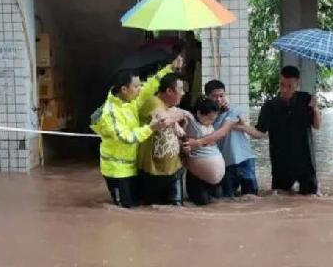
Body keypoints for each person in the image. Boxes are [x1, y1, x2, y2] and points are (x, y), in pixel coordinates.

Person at [90, 54, 184, 208]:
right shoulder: (110, 113)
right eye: (136, 86)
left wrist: (170, 68)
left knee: (139, 205)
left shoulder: (131, 100)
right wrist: (151, 128)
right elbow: (126, 137)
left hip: (133, 167)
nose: (140, 89)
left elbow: (151, 85)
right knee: (125, 209)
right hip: (117, 171)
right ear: (124, 89)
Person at [255, 65, 322, 195]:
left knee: (310, 199)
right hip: (281, 162)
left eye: (289, 86)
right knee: (280, 198)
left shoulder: (306, 99)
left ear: (297, 84)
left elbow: (317, 126)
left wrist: (315, 109)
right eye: (282, 85)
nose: (285, 90)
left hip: (305, 161)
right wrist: (241, 127)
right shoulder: (270, 106)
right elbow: (259, 132)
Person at [203, 79, 260, 197]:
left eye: (221, 95)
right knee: (228, 200)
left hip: (245, 160)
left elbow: (235, 125)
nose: (219, 99)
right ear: (207, 97)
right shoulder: (207, 118)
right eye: (214, 96)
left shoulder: (234, 109)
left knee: (251, 198)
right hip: (225, 164)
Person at [138, 72, 187, 205]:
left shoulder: (169, 107)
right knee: (154, 215)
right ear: (169, 91)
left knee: (177, 213)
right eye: (180, 89)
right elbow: (163, 120)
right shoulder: (153, 102)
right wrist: (181, 115)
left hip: (174, 170)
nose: (183, 93)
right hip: (153, 172)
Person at [180, 97, 230, 206]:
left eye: (213, 119)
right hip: (197, 176)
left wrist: (224, 107)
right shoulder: (192, 122)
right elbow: (183, 112)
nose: (211, 121)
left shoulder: (208, 124)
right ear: (198, 113)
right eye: (209, 119)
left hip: (215, 179)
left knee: (217, 205)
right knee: (201, 205)